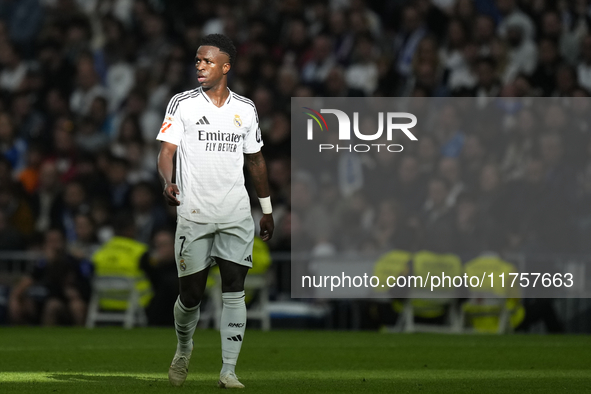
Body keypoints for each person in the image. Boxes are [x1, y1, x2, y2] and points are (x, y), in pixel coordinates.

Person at [156, 34, 274, 389]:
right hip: (194, 213)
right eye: (197, 60)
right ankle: (183, 347)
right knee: (190, 296)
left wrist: (265, 209)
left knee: (234, 289)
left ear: (226, 67)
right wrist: (167, 181)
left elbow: (255, 161)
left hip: (236, 214)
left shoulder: (246, 108)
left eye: (207, 61)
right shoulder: (182, 104)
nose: (199, 66)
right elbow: (166, 152)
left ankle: (228, 370)